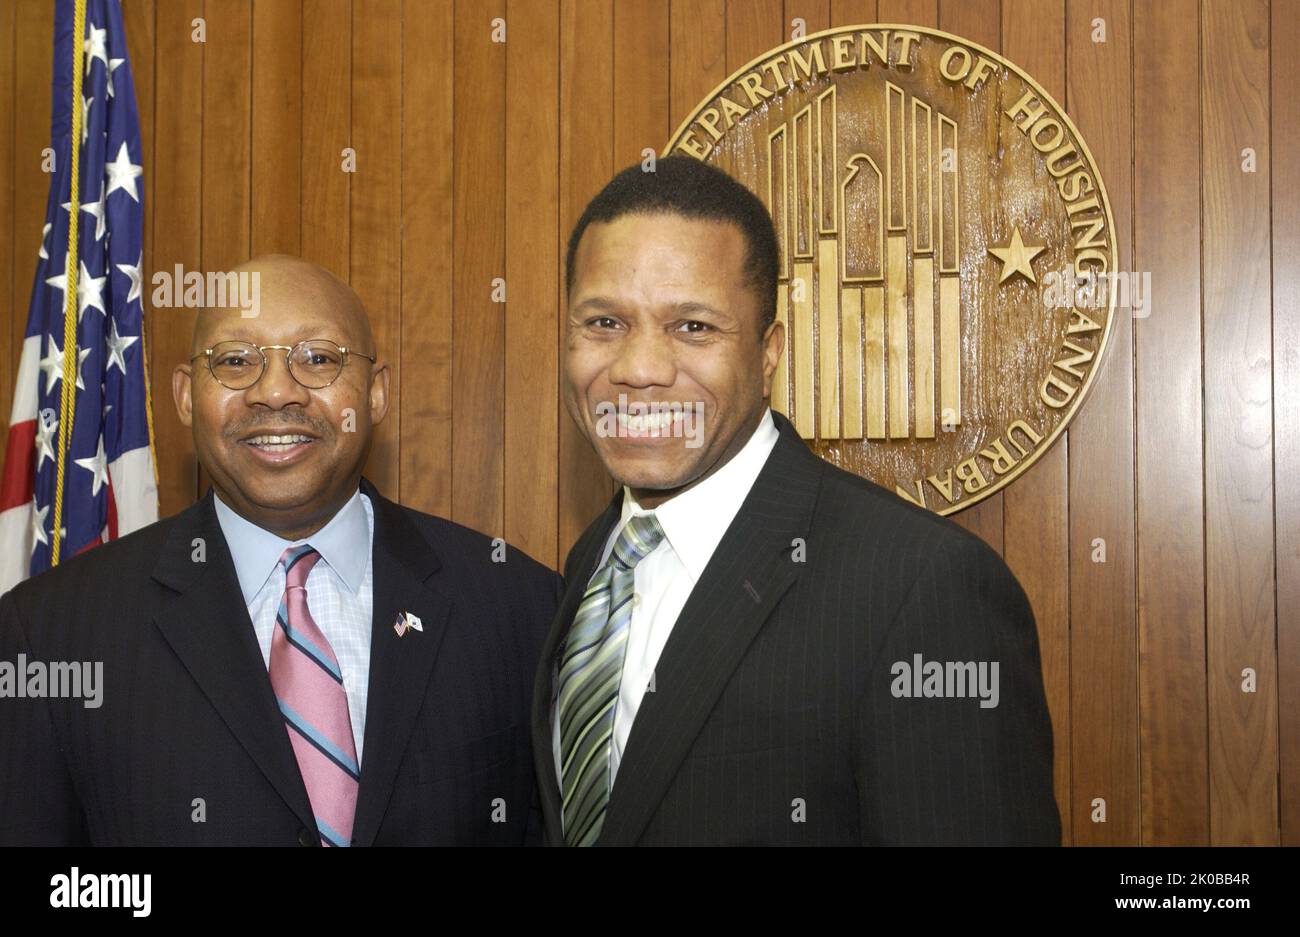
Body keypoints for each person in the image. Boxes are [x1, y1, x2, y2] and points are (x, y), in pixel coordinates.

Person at [531, 156, 1061, 846]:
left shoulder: (924, 589)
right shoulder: (596, 561)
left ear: (769, 351)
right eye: (604, 322)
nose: (638, 368)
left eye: (693, 326)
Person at [0, 255, 558, 846]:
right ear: (187, 397)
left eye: (318, 358)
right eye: (235, 361)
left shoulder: (518, 605)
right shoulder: (52, 631)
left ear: (375, 393)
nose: (275, 392)